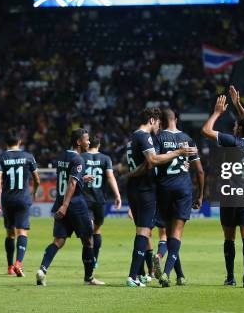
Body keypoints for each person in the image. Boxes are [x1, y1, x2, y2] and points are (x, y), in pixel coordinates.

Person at [124, 108, 197, 287]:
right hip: (146, 190)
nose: (159, 127)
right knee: (147, 232)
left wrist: (131, 174)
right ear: (151, 120)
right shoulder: (144, 136)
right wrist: (178, 153)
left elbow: (142, 164)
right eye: (157, 123)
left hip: (135, 189)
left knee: (148, 231)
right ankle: (133, 276)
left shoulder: (131, 138)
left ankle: (143, 274)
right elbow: (152, 161)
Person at [201, 86, 244, 288]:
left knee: (229, 236)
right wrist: (237, 105)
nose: (235, 126)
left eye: (237, 125)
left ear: (240, 130)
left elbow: (206, 130)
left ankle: (230, 277)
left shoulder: (232, 142)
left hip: (230, 196)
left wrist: (217, 113)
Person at [36, 129, 104, 286]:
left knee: (58, 240)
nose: (89, 142)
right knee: (88, 240)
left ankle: (42, 270)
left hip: (61, 202)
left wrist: (82, 178)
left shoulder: (61, 156)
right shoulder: (79, 159)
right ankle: (89, 278)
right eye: (86, 140)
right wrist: (66, 206)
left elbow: (69, 178)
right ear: (79, 142)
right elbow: (72, 183)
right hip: (74, 204)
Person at [154, 108, 205, 287]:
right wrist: (201, 195)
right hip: (183, 188)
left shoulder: (159, 138)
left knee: (169, 233)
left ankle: (180, 275)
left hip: (164, 187)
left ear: (161, 121)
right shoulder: (188, 139)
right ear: (176, 119)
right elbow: (199, 170)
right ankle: (167, 274)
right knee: (176, 234)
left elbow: (154, 161)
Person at [0, 128, 40, 277]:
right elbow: (36, 179)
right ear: (20, 141)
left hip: (7, 199)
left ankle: (9, 267)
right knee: (22, 232)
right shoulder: (28, 157)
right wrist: (35, 191)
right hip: (23, 198)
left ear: (5, 142)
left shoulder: (1, 158)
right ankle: (19, 263)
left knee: (10, 233)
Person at [81, 137, 122, 267]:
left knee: (88, 232)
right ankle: (95, 259)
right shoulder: (105, 159)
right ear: (99, 145)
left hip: (84, 199)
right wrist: (117, 195)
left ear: (88, 144)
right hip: (100, 199)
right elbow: (110, 177)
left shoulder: (81, 157)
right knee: (97, 230)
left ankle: (88, 260)